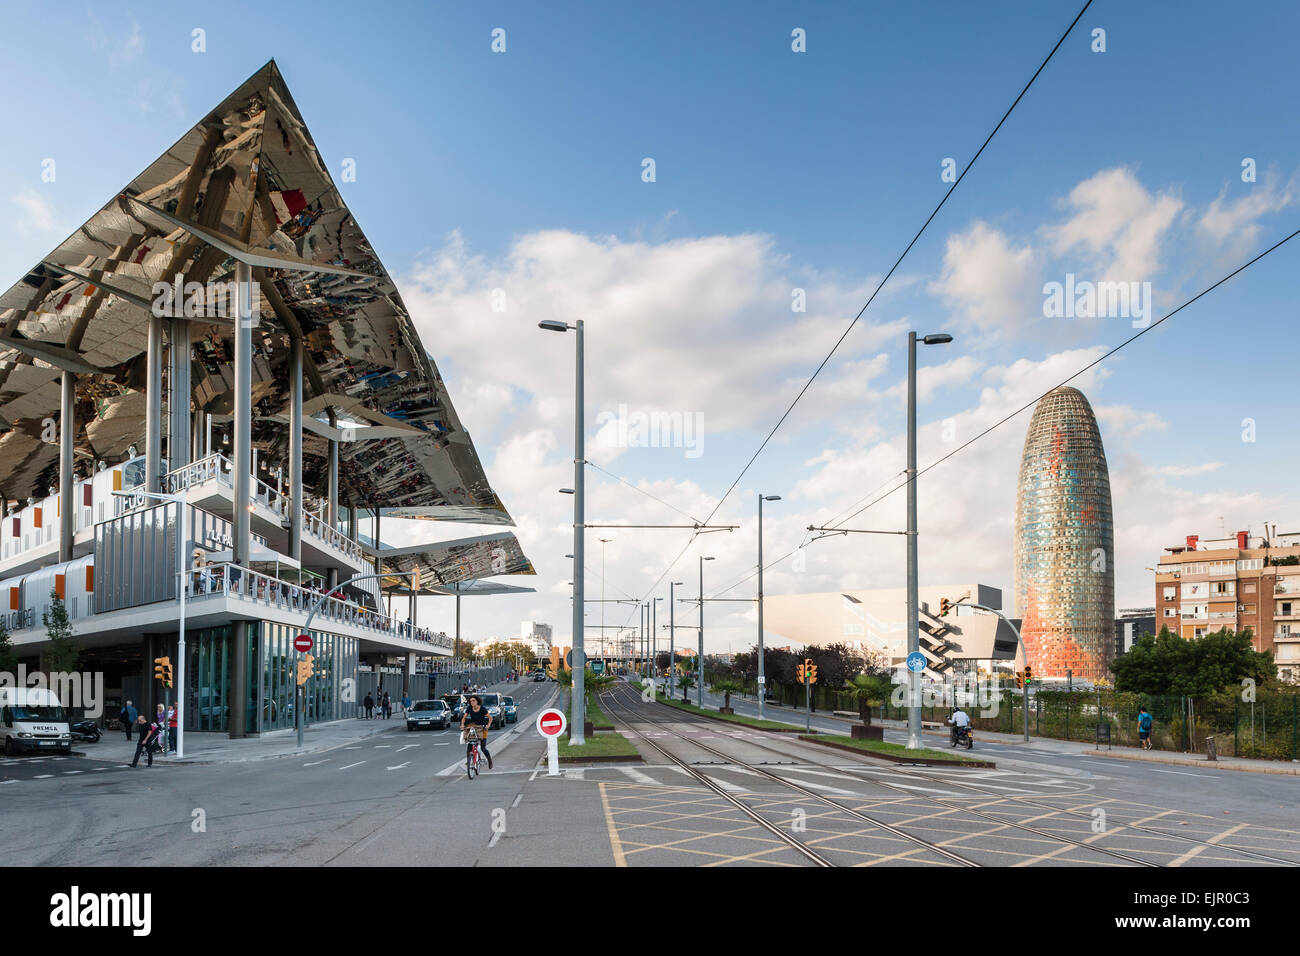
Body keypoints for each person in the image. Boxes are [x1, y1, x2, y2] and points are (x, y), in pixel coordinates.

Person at [460, 694, 494, 770]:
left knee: (483, 748)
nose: (472, 702)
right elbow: (464, 718)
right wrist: (462, 724)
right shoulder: (469, 708)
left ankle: (489, 760)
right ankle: (469, 760)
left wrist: (488, 725)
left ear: (477, 701)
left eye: (473, 701)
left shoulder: (482, 709)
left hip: (482, 728)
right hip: (473, 727)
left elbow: (490, 718)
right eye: (470, 701)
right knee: (469, 747)